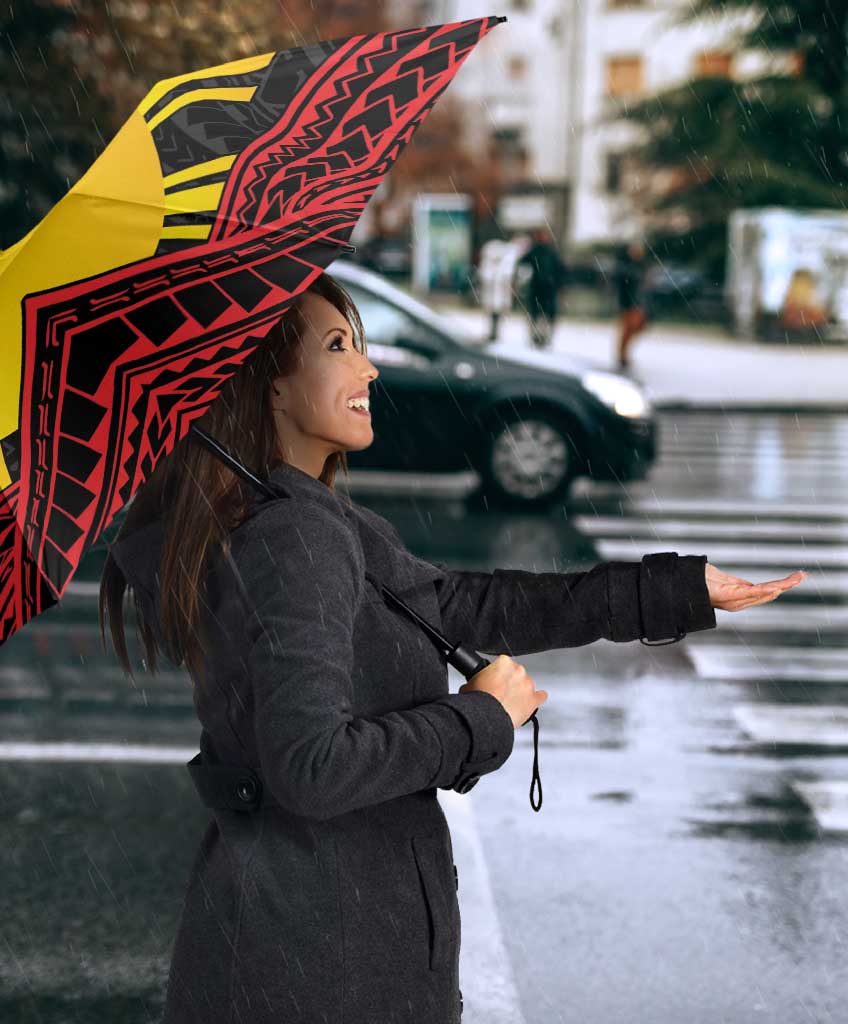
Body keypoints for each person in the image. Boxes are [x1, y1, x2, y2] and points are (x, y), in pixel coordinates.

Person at [100, 271, 803, 1024]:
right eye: (338, 347)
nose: (368, 369)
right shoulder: (295, 536)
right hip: (325, 962)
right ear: (270, 385)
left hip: (298, 940)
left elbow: (462, 605)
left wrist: (673, 591)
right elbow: (311, 767)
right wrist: (479, 719)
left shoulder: (295, 518)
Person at [516, 226, 566, 349]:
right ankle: (537, 337)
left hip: (546, 289)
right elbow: (522, 263)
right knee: (538, 314)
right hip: (540, 288)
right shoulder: (538, 251)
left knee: (543, 315)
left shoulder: (548, 252)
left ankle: (543, 337)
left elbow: (560, 270)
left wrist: (559, 284)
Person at [614, 239, 650, 370]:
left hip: (638, 303)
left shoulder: (640, 266)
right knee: (628, 329)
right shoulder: (626, 267)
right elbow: (623, 286)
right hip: (629, 303)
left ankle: (623, 354)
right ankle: (622, 355)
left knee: (636, 327)